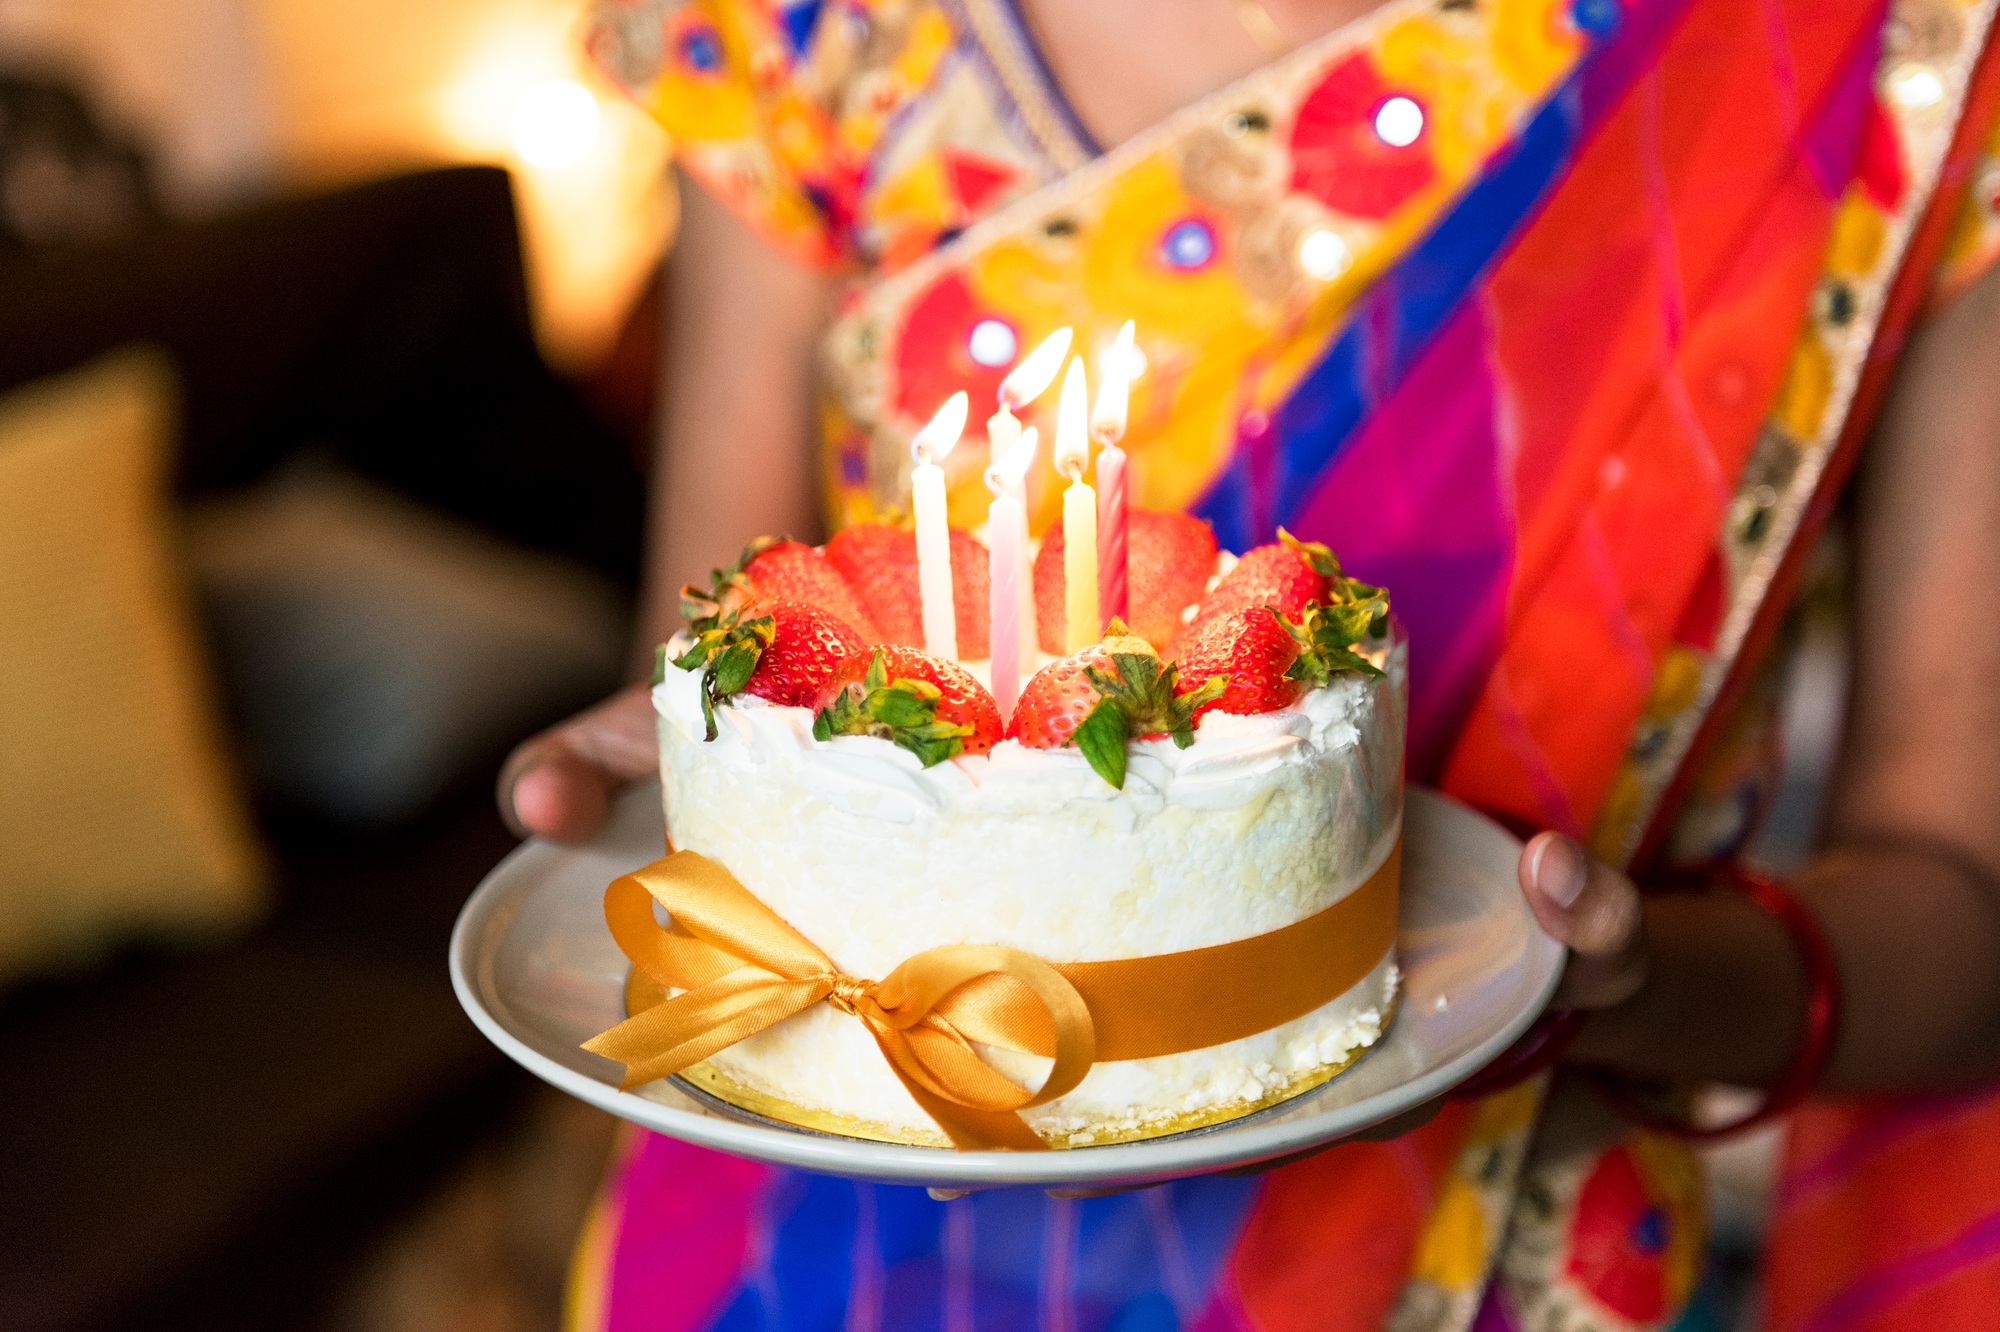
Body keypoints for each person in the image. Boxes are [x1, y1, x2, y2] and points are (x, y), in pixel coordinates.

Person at [501, 0, 2000, 1326]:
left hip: (1478, 1252)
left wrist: (1635, 984)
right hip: (806, 1227)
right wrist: (655, 769)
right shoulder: (802, 33)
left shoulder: (1880, 51)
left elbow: (1967, 920)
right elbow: (713, 668)